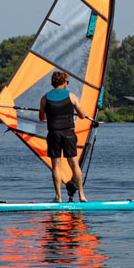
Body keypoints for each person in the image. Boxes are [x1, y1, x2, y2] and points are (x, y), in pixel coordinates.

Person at [39, 70, 89, 203]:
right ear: (64, 82)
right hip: (68, 133)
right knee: (74, 165)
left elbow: (41, 117)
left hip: (54, 134)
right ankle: (82, 196)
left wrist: (50, 112)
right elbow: (82, 115)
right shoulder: (71, 96)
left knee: (56, 166)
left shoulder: (45, 98)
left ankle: (58, 197)